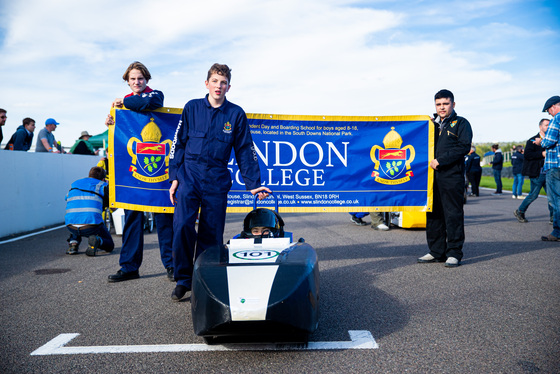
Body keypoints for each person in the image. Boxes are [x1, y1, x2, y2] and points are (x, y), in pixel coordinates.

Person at [169, 63, 271, 301]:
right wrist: (174, 177)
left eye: (223, 82)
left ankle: (203, 280)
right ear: (207, 83)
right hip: (189, 175)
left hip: (216, 178)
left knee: (211, 233)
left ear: (229, 87)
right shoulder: (192, 108)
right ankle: (183, 279)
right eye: (215, 81)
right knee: (182, 225)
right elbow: (178, 143)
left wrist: (253, 183)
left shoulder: (235, 114)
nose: (218, 86)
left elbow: (245, 149)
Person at [105, 61, 176, 283]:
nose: (137, 82)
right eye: (133, 79)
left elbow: (153, 101)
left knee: (165, 219)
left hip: (160, 176)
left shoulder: (153, 95)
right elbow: (119, 138)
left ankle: (173, 266)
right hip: (133, 176)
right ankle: (129, 267)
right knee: (132, 220)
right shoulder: (122, 110)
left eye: (140, 78)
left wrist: (124, 100)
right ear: (127, 80)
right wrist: (110, 124)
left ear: (146, 80)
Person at [418, 89, 472, 267]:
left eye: (445, 104)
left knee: (453, 215)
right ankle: (436, 251)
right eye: (439, 104)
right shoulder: (430, 125)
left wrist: (441, 161)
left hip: (451, 177)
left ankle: (454, 253)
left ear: (453, 104)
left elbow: (464, 147)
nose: (442, 107)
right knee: (433, 215)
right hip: (430, 179)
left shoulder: (461, 123)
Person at [65, 166, 114, 256]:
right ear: (103, 179)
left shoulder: (75, 183)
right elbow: (111, 204)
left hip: (70, 225)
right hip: (91, 227)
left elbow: (66, 198)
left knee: (77, 216)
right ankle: (97, 241)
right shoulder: (102, 185)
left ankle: (73, 243)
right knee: (110, 245)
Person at [514, 119, 553, 223]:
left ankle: (554, 218)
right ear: (540, 127)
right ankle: (520, 211)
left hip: (550, 172)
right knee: (533, 194)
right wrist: (542, 154)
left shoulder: (551, 140)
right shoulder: (532, 141)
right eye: (546, 125)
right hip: (537, 173)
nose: (548, 127)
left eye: (549, 125)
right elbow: (527, 155)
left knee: (552, 196)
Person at [535, 96, 560, 241]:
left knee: (556, 199)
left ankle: (557, 232)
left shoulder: (557, 118)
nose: (549, 114)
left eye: (548, 111)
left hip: (555, 164)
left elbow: (549, 141)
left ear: (553, 107)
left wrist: (540, 142)